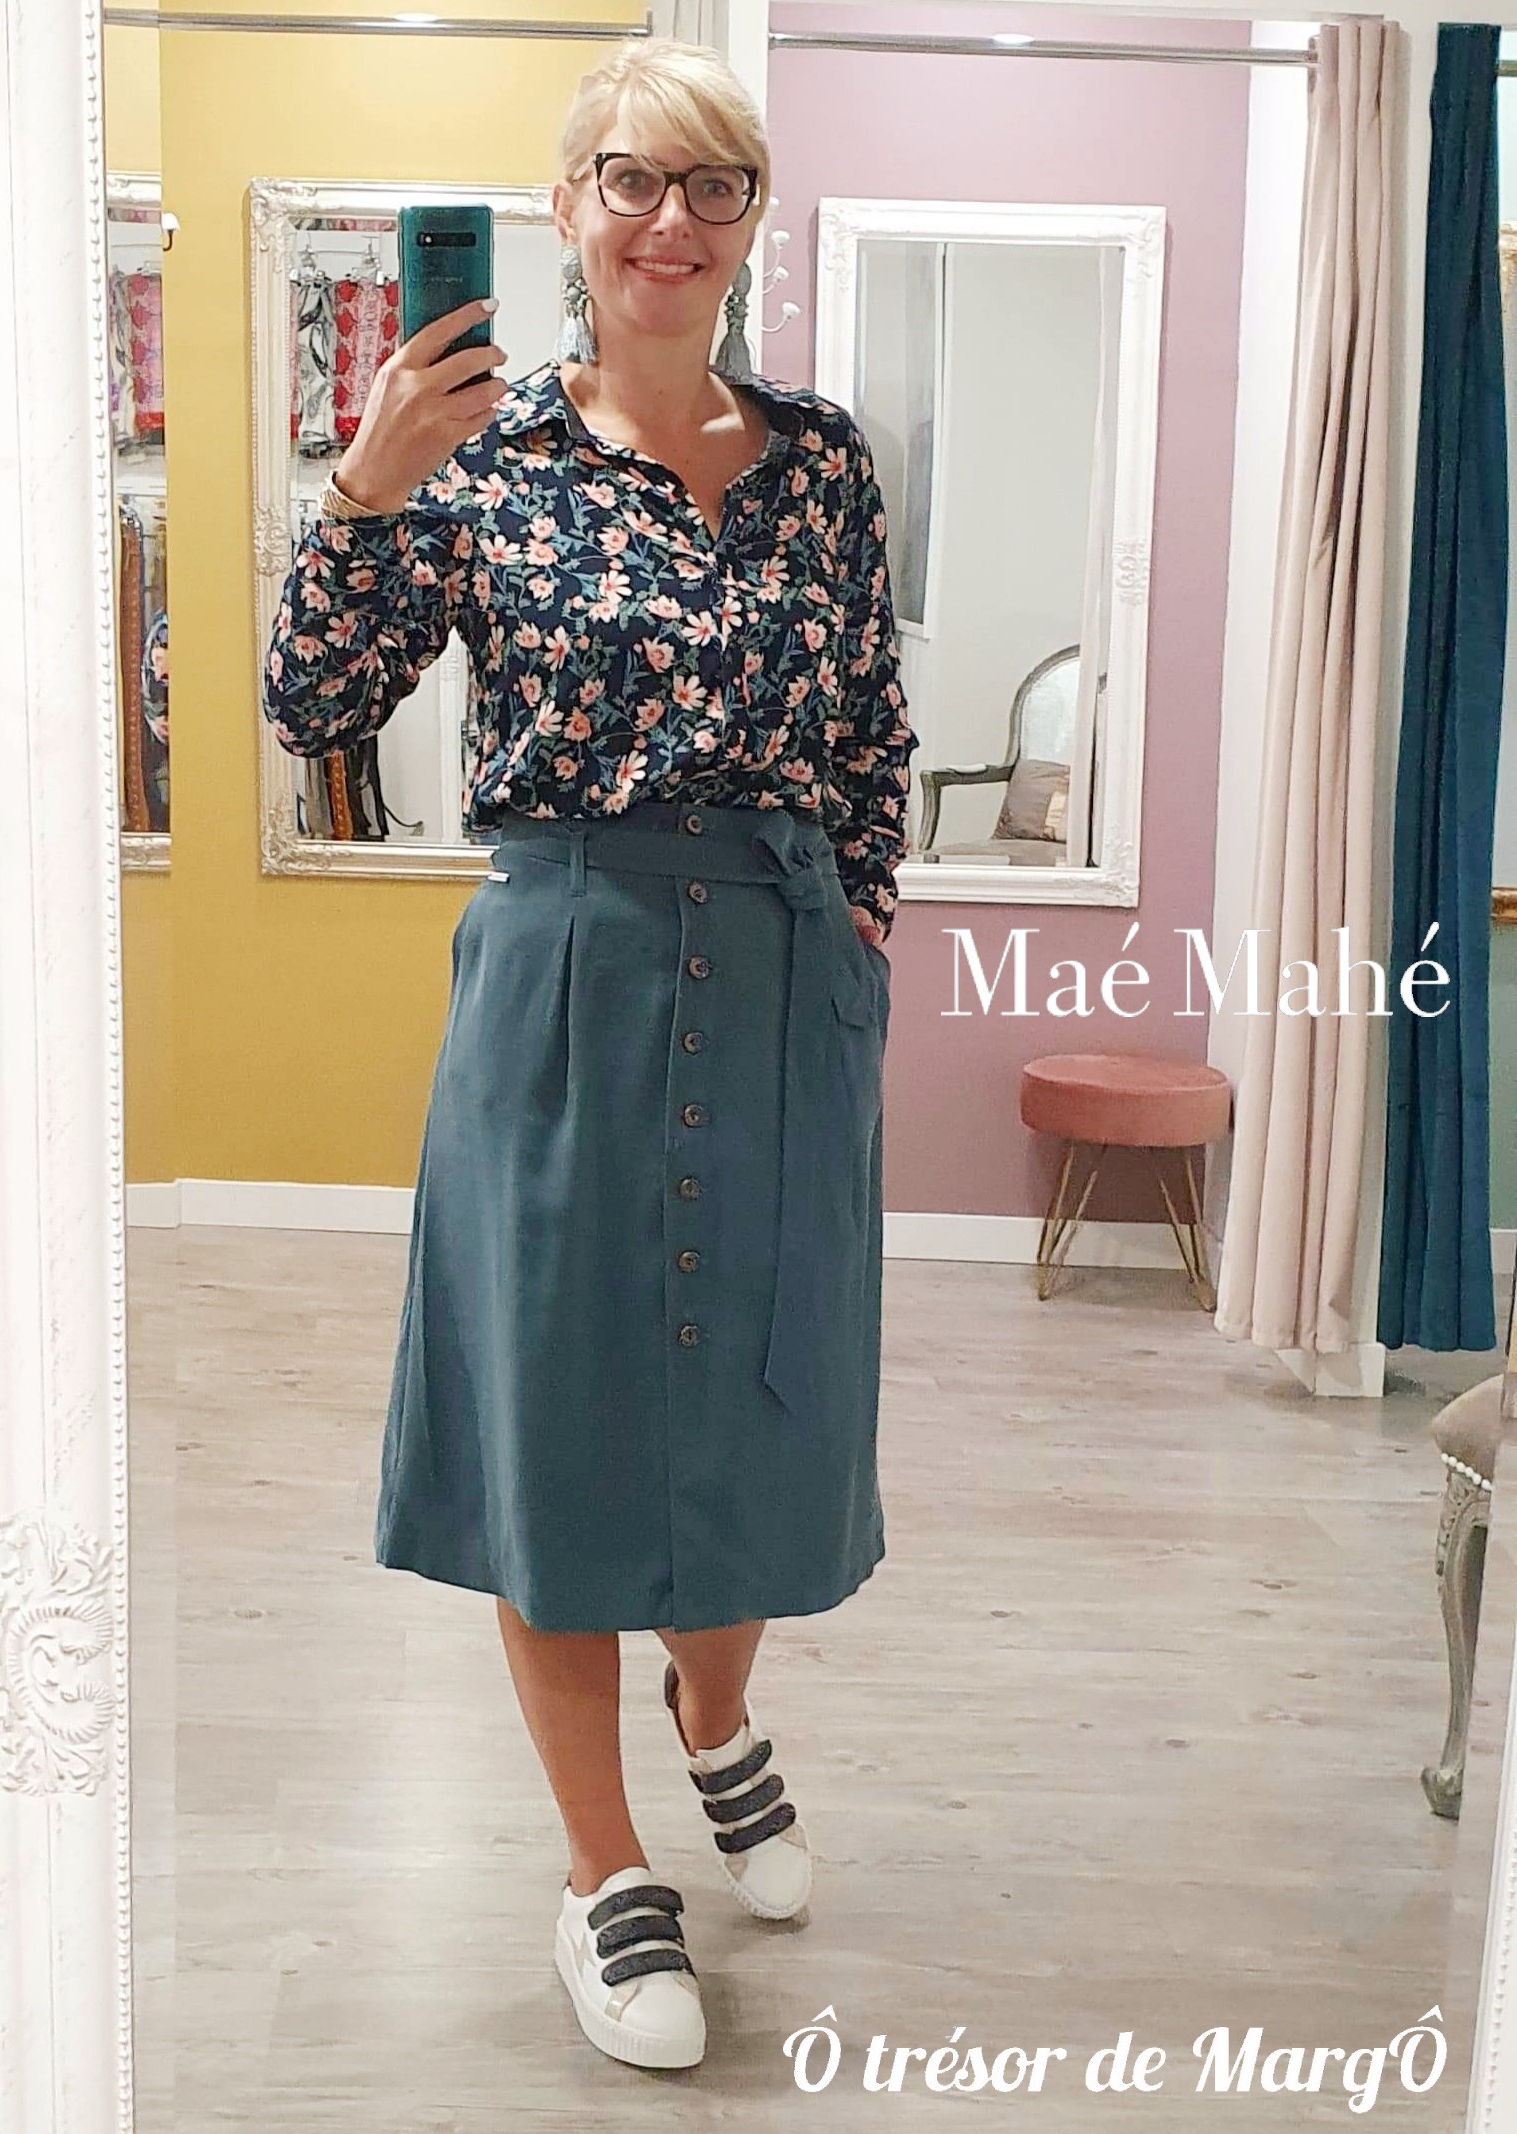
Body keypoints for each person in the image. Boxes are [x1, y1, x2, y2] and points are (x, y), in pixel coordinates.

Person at [261, 36, 917, 2073]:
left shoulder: (823, 462)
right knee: (559, 1412)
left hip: (784, 968)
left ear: (750, 220)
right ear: (565, 209)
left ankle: (716, 1711)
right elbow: (311, 704)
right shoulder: (481, 453)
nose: (668, 220)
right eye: (631, 178)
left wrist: (862, 932)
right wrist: (368, 484)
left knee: (754, 1397)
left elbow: (872, 728)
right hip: (568, 969)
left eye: (713, 185)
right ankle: (602, 1868)